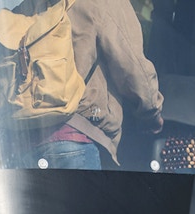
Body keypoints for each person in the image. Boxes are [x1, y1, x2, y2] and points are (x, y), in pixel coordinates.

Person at [22, 0, 164, 169]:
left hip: (22, 145)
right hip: (77, 137)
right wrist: (152, 113)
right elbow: (133, 69)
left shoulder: (28, 5)